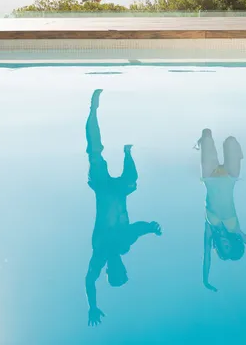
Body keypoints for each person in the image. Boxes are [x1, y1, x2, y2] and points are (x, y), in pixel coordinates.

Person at [84, 89, 162, 326]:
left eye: (115, 272)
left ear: (109, 271)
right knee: (132, 180)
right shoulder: (124, 245)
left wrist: (93, 305)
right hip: (118, 191)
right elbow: (136, 229)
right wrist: (151, 227)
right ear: (125, 269)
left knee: (94, 152)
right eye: (123, 271)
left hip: (102, 188)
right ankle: (128, 152)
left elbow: (89, 280)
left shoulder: (101, 254)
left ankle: (93, 110)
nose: (119, 267)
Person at [195, 128, 246, 292]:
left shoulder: (210, 229)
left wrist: (205, 280)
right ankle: (234, 152)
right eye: (229, 246)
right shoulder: (236, 231)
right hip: (230, 176)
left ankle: (202, 142)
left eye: (224, 248)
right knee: (230, 140)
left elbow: (206, 256)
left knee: (207, 134)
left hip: (210, 176)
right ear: (232, 243)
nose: (224, 245)